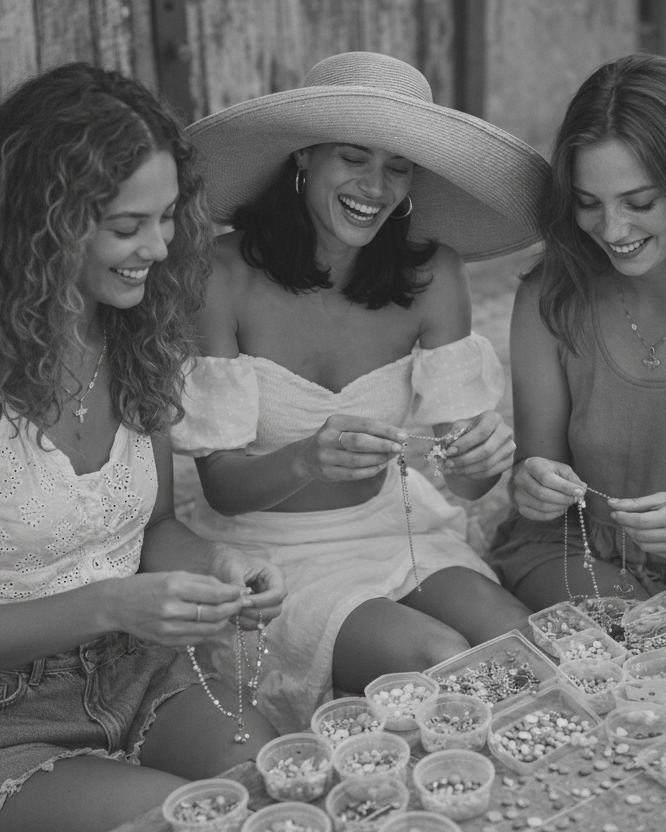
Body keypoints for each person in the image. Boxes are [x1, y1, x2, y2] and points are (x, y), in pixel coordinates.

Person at [172, 51, 549, 734]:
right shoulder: (220, 276)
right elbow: (222, 486)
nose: (375, 187)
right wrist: (306, 459)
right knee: (438, 661)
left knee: (515, 640)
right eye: (353, 157)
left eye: (398, 167)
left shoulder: (434, 272)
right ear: (303, 159)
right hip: (277, 552)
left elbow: (465, 479)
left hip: (396, 528)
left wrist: (483, 460)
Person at [0, 63, 286, 832]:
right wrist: (110, 604)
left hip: (137, 666)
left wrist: (221, 569)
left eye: (167, 219)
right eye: (128, 227)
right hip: (10, 720)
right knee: (186, 819)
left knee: (275, 788)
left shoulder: (134, 334)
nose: (159, 248)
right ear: (43, 223)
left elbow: (155, 528)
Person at [489, 53, 666, 610]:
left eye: (639, 202)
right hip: (578, 552)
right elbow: (537, 469)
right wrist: (532, 483)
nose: (612, 230)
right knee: (623, 638)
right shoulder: (551, 296)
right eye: (589, 204)